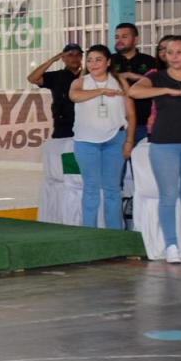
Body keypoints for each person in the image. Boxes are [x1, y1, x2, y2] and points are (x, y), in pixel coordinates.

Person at [128, 35, 181, 264]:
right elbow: (135, 92)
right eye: (169, 52)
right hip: (164, 144)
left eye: (180, 52)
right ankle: (171, 245)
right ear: (164, 55)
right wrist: (166, 91)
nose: (174, 56)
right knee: (168, 195)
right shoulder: (155, 77)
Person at [68, 44, 137, 230]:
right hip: (86, 142)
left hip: (116, 139)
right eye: (89, 60)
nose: (93, 63)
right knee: (91, 188)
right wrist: (101, 91)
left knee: (113, 189)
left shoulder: (120, 82)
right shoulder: (80, 82)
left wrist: (129, 141)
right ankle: (89, 232)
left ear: (108, 62)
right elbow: (74, 96)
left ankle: (115, 234)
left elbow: (131, 114)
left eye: (98, 59)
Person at [110, 23, 157, 142]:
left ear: (135, 39)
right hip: (115, 124)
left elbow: (158, 86)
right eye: (117, 37)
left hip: (143, 123)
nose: (119, 40)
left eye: (124, 36)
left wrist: (134, 76)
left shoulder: (150, 61)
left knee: (141, 160)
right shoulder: (108, 61)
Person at [27, 43, 84, 139]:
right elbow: (32, 78)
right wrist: (52, 60)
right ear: (63, 58)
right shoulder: (57, 76)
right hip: (63, 128)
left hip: (85, 127)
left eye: (78, 55)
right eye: (70, 55)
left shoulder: (87, 76)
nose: (74, 58)